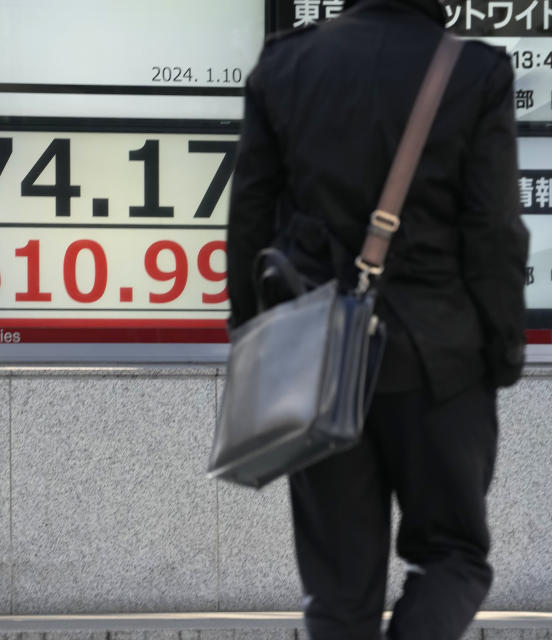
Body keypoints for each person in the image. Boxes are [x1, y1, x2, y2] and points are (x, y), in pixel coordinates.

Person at [226, 1, 528, 639]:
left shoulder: (287, 63)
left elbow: (250, 216)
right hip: (440, 364)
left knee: (338, 594)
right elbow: (494, 231)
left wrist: (255, 344)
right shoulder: (473, 70)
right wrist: (502, 352)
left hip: (317, 364)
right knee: (454, 557)